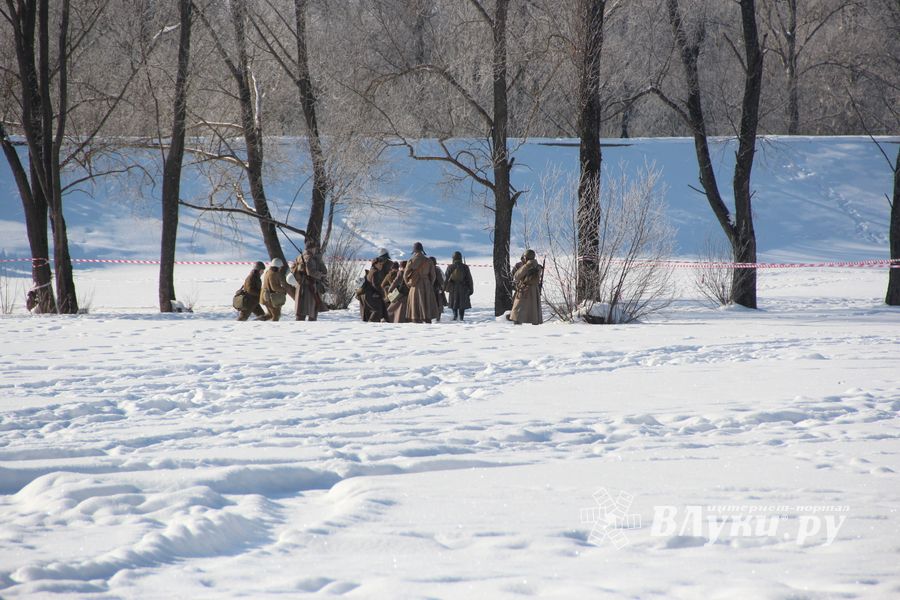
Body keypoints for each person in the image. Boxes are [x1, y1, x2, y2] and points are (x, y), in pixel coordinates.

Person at [292, 240, 328, 321]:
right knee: (312, 309)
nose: (316, 250)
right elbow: (311, 272)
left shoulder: (299, 257)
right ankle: (311, 327)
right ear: (312, 248)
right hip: (309, 286)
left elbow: (293, 268)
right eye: (315, 248)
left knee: (301, 309)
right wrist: (321, 275)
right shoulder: (309, 257)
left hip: (301, 286)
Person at [404, 242, 438, 323]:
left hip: (415, 285)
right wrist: (429, 284)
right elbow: (433, 276)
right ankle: (427, 319)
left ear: (414, 250)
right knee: (426, 303)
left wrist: (409, 284)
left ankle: (416, 320)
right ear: (422, 250)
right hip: (426, 284)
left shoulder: (411, 261)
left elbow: (405, 275)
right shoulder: (429, 261)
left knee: (415, 304)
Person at [509, 249, 543, 325]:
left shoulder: (527, 266)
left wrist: (523, 267)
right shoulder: (538, 266)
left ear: (526, 257)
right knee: (533, 309)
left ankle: (517, 324)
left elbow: (517, 276)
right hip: (534, 290)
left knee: (518, 309)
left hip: (524, 290)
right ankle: (534, 322)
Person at [444, 251, 473, 321]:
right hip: (463, 287)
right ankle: (461, 317)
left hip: (453, 287)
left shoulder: (450, 267)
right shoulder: (465, 267)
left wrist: (444, 288)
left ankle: (455, 316)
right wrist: (471, 289)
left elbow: (445, 278)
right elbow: (469, 278)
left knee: (454, 302)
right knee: (462, 303)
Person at [364, 248, 391, 322]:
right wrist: (380, 292)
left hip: (381, 290)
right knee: (377, 309)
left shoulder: (385, 265)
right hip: (375, 292)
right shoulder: (375, 270)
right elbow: (373, 283)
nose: (381, 264)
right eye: (380, 263)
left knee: (382, 308)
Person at [430, 256, 447, 321]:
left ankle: (431, 317)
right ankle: (437, 318)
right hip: (437, 289)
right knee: (438, 304)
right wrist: (442, 288)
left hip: (429, 289)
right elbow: (441, 280)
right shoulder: (437, 269)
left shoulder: (427, 269)